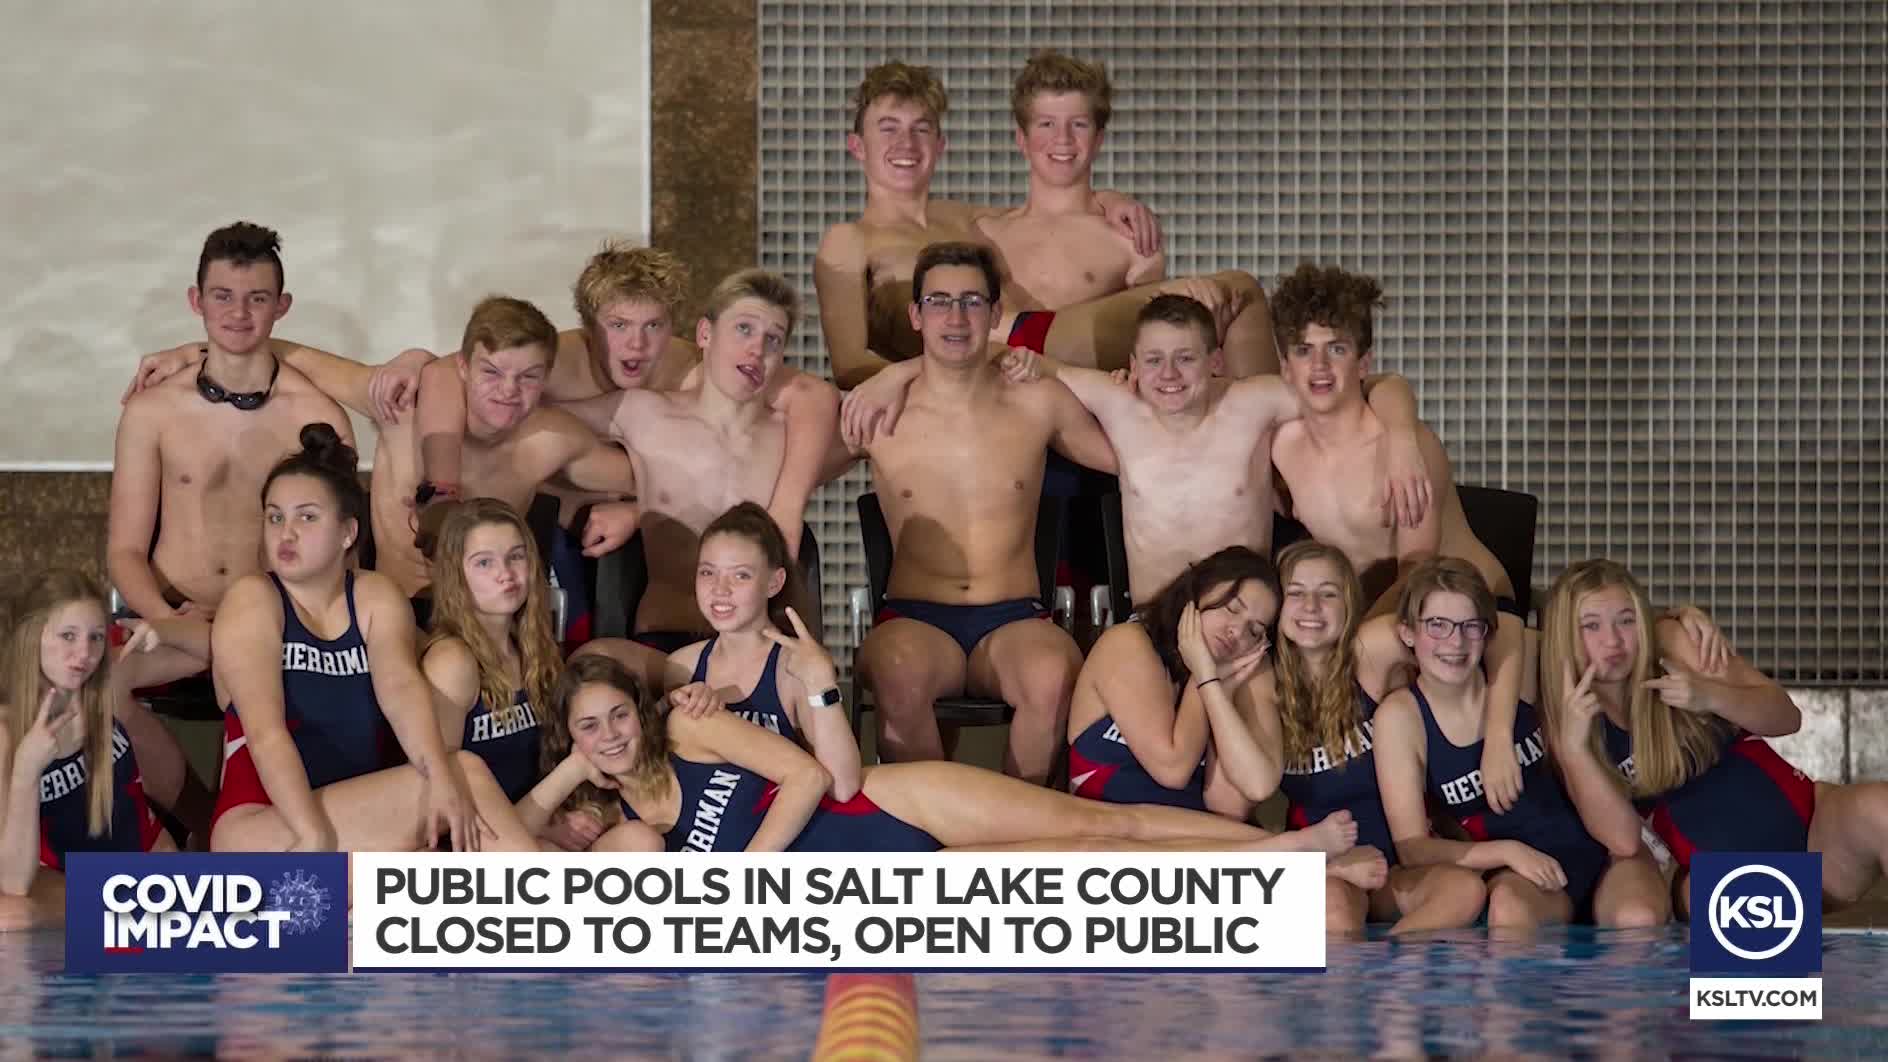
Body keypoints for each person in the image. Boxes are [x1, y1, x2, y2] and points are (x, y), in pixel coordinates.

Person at [529, 653, 1379, 866]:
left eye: (617, 716)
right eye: (588, 728)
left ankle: (1281, 850)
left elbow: (809, 775)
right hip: (902, 879)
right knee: (1097, 853)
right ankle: (1283, 860)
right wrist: (572, 769)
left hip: (892, 804)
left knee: (1107, 822)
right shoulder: (621, 830)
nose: (610, 735)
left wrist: (749, 872)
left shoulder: (691, 733)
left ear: (640, 713)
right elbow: (521, 843)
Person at [828, 242, 1118, 784]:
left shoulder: (1039, 400)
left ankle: (1015, 825)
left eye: (971, 301)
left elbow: (1133, 458)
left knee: (1053, 675)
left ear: (994, 312)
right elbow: (788, 463)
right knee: (897, 674)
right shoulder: (880, 410)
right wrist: (892, 375)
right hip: (914, 618)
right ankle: (934, 830)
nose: (956, 317)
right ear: (916, 315)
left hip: (1015, 619)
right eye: (939, 301)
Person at [817, 59, 1272, 398]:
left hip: (1035, 341)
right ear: (857, 146)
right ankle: (1280, 461)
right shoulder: (848, 240)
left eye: (920, 129)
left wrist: (1110, 199)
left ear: (940, 144)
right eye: (888, 128)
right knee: (1239, 290)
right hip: (1004, 353)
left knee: (1222, 306)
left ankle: (1263, 451)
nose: (905, 144)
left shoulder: (963, 218)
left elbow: (1054, 203)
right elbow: (849, 364)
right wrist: (926, 375)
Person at [1268, 262, 1532, 822]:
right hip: (1386, 614)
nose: (1320, 366)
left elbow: (1420, 568)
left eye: (1337, 349)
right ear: (1285, 366)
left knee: (1358, 655)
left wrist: (1343, 643)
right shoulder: (1282, 448)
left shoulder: (1404, 448)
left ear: (1363, 363)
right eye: (1304, 350)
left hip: (1469, 603)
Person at [206, 425, 541, 853]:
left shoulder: (373, 595)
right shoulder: (253, 599)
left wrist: (438, 776)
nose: (286, 533)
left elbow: (400, 690)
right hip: (267, 823)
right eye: (275, 517)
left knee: (456, 778)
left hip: (354, 813)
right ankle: (549, 892)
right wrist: (311, 835)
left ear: (347, 532)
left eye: (306, 517)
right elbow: (266, 733)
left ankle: (542, 888)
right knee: (468, 775)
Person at [1002, 294, 1433, 600]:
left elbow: (1367, 385)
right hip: (1155, 619)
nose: (1168, 374)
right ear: (1133, 366)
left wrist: (1402, 437)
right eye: (1153, 360)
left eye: (1186, 358)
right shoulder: (1118, 403)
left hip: (1243, 616)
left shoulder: (1253, 402)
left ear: (1215, 362)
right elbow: (1036, 366)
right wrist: (1022, 361)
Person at [1541, 559, 1888, 917]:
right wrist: (1574, 750)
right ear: (1564, 635)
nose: (1613, 640)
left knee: (1880, 805)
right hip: (1730, 879)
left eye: (1626, 620)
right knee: (1730, 899)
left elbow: (1787, 716)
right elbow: (1623, 842)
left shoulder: (1672, 645)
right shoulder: (1566, 722)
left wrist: (1710, 695)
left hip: (1818, 836)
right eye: (1591, 626)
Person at [573, 270, 837, 685]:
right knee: (592, 663)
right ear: (704, 334)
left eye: (773, 339)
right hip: (667, 640)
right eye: (744, 329)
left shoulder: (793, 437)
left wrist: (896, 377)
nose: (757, 349)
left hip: (757, 651)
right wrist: (634, 504)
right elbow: (536, 425)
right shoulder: (643, 413)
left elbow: (869, 428)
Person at [1258, 542, 1488, 933]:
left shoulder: (1368, 654)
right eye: (1296, 593)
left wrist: (1497, 735)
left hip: (1397, 867)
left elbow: (1478, 629)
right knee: (1334, 912)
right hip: (1329, 869)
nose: (1311, 606)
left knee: (1464, 891)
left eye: (1328, 594)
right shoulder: (1263, 686)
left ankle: (1390, 966)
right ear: (1276, 606)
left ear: (1349, 604)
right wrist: (1331, 865)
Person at [1371, 558, 1607, 930]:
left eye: (1470, 626)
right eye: (1437, 625)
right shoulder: (1402, 718)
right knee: (1508, 905)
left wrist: (1682, 619)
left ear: (1487, 634)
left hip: (1582, 852)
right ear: (1408, 633)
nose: (1456, 642)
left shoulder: (1520, 675)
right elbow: (1412, 849)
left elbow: (1617, 635)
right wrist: (1507, 852)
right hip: (1509, 875)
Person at [0, 571, 196, 930]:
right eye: (68, 636)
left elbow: (219, 650)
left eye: (96, 637)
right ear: (31, 636)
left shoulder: (109, 679)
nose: (85, 654)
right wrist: (26, 771)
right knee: (9, 915)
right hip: (75, 886)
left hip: (148, 866)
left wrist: (165, 629)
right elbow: (12, 882)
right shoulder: (6, 735)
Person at [658, 502, 861, 799]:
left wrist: (822, 685)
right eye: (707, 572)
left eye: (740, 575)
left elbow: (843, 788)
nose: (720, 589)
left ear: (774, 583)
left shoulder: (793, 669)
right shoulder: (681, 665)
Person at [1065, 546, 1281, 812]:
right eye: (1231, 608)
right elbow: (1173, 769)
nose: (1237, 631)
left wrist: (1216, 692)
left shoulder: (1242, 672)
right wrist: (1203, 677)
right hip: (1107, 828)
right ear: (1199, 589)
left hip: (1196, 834)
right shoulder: (1127, 644)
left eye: (1254, 630)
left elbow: (1230, 807)